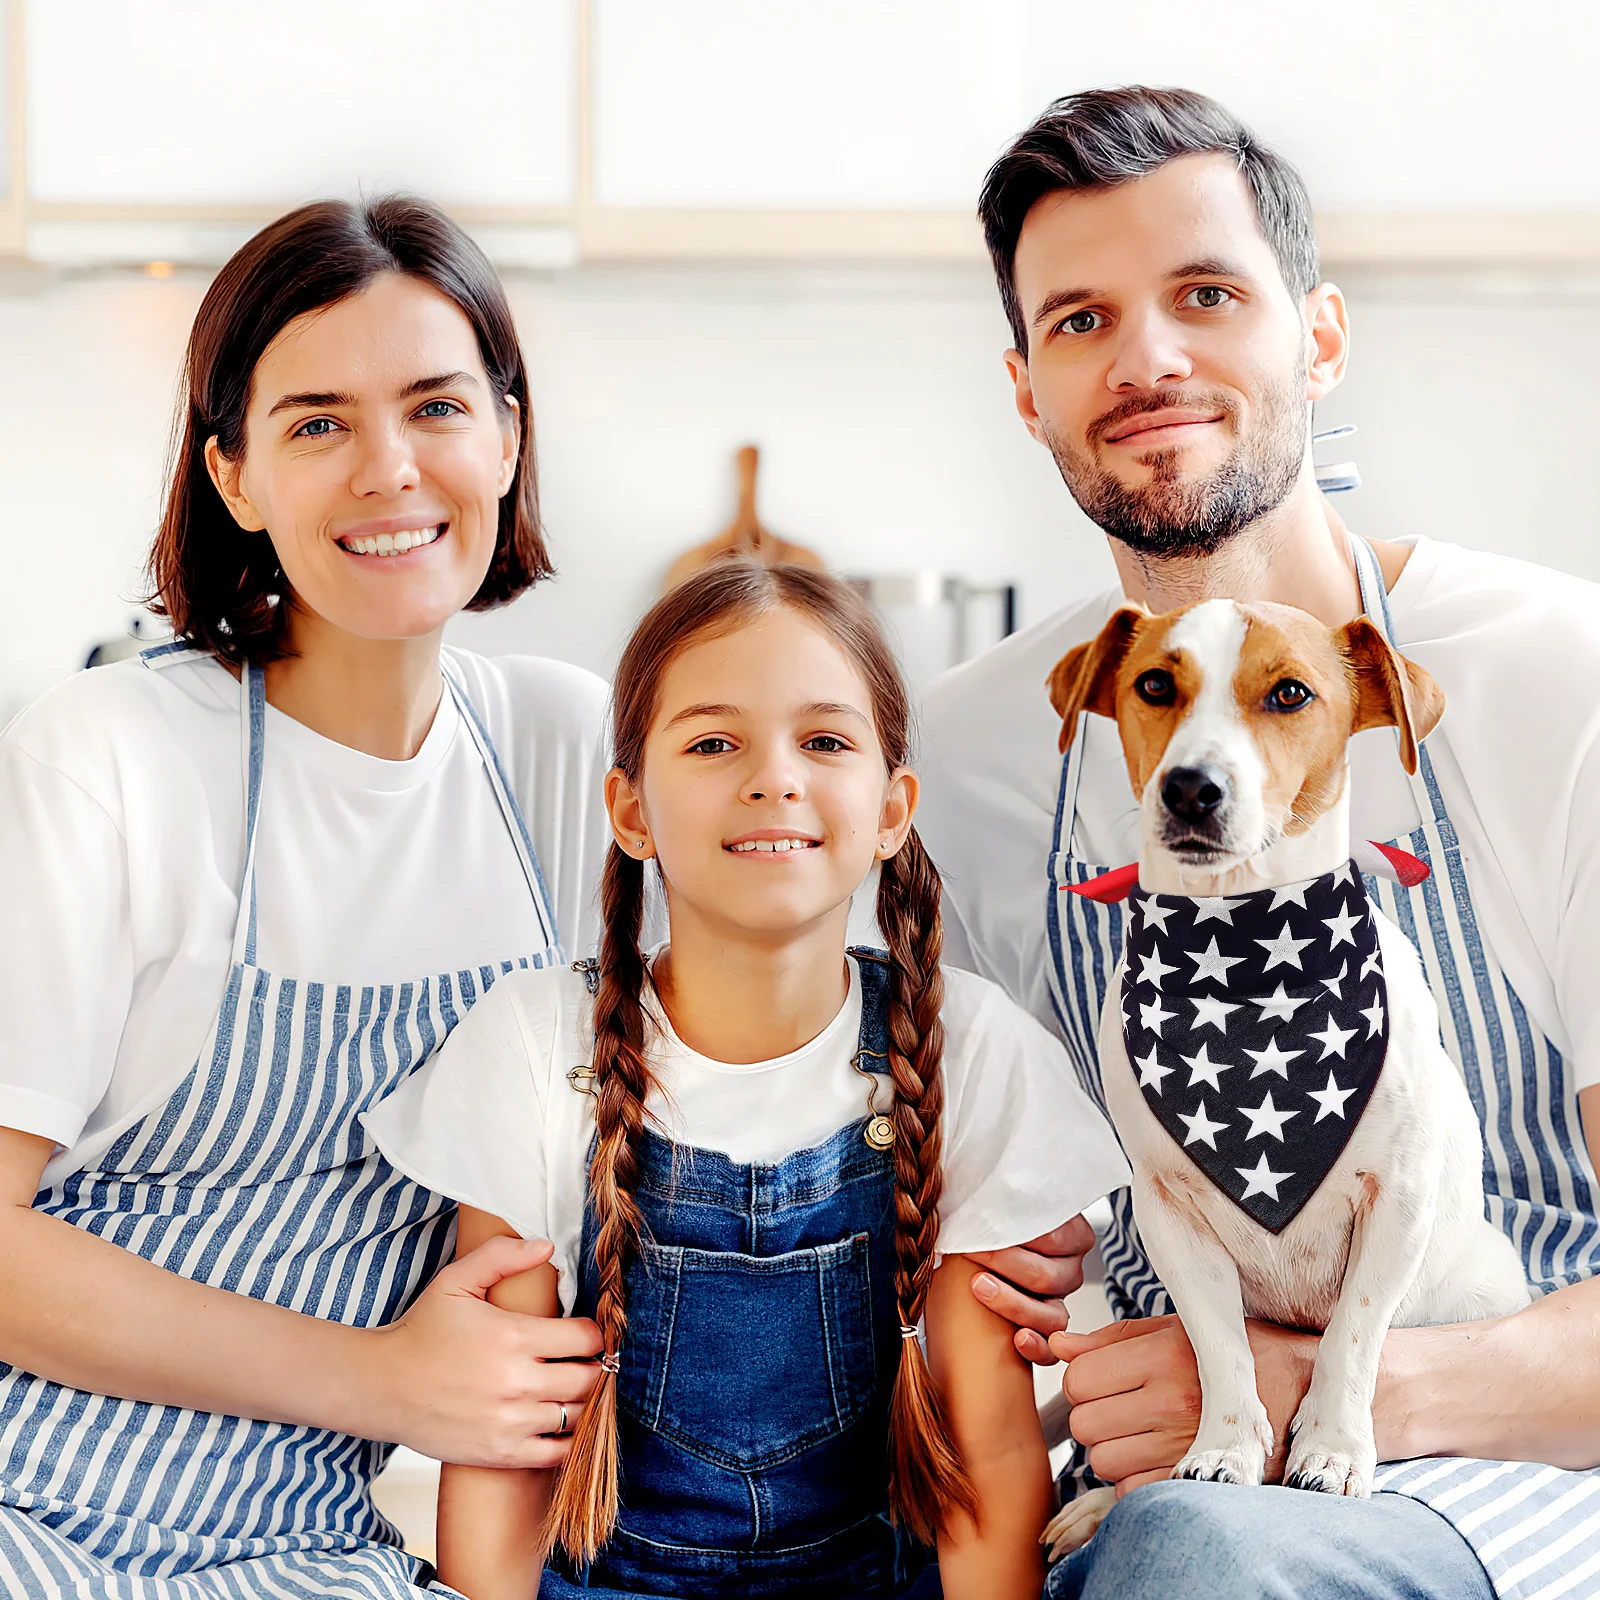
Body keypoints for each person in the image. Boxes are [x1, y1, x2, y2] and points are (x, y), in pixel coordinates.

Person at [917, 87, 1600, 1600]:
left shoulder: (1558, 675)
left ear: (1323, 336)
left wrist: (1326, 1393)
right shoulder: (968, 748)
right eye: (1081, 319)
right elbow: (986, 1238)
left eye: (1208, 295)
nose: (1148, 358)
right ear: (1026, 385)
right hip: (1144, 1457)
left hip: (1516, 1454)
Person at [362, 560, 1133, 1600]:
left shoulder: (968, 1045)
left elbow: (987, 1461)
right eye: (714, 742)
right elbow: (502, 1444)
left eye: (823, 741)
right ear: (629, 812)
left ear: (893, 807)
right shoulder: (532, 1043)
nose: (773, 778)